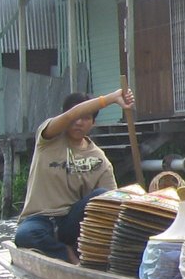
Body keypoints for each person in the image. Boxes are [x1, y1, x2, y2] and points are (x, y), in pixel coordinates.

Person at [13, 87, 134, 262]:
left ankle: (84, 254)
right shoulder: (48, 138)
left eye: (86, 118)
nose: (79, 122)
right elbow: (72, 115)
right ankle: (67, 254)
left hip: (71, 222)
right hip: (40, 220)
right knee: (25, 236)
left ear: (93, 123)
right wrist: (111, 98)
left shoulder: (99, 159)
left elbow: (112, 201)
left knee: (103, 196)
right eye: (76, 117)